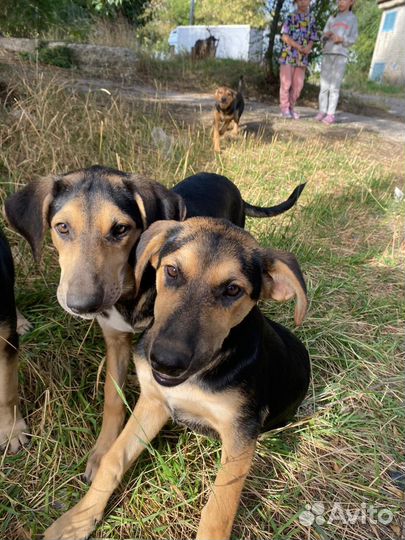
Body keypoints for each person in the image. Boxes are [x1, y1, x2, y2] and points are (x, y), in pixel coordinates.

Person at [316, 0, 358, 125]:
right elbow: (322, 36)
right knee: (324, 85)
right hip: (327, 53)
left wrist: (341, 39)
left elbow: (353, 39)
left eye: (344, 0)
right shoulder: (332, 17)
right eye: (338, 0)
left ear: (351, 2)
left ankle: (330, 114)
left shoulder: (352, 19)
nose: (340, 2)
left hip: (340, 54)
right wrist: (326, 35)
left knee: (334, 87)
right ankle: (322, 111)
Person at [279, 0, 319, 120]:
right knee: (286, 83)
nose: (302, 2)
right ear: (296, 2)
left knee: (298, 85)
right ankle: (284, 109)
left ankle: (291, 108)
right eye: (299, 0)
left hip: (302, 58)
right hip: (288, 55)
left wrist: (308, 47)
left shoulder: (312, 19)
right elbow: (284, 36)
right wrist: (298, 46)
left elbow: (313, 38)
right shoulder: (291, 17)